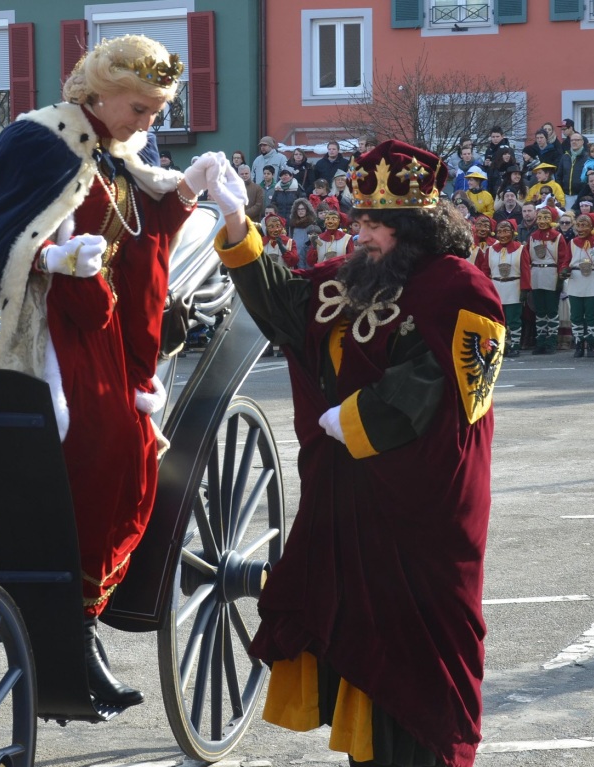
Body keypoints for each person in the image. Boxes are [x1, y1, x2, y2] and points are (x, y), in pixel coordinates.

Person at [201, 138, 504, 767]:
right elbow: (288, 305)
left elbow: (449, 390)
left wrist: (355, 419)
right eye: (359, 220)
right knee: (363, 654)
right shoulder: (358, 279)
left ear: (412, 228)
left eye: (373, 224)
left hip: (416, 516)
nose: (358, 233)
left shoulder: (462, 288)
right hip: (351, 504)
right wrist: (237, 223)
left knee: (416, 662)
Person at [0, 33, 214, 709]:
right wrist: (50, 260)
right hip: (37, 325)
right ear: (100, 93)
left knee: (125, 449)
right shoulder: (38, 140)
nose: (149, 124)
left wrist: (188, 185)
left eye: (157, 111)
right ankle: (69, 623)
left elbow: (139, 234)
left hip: (94, 325)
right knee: (94, 442)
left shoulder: (117, 151)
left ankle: (79, 623)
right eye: (142, 108)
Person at [524, 207, 571, 354]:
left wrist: (561, 276)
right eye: (540, 218)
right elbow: (527, 257)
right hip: (536, 274)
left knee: (551, 310)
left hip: (551, 273)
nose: (542, 221)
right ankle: (541, 341)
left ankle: (551, 341)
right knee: (540, 310)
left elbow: (563, 257)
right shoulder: (533, 237)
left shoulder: (557, 237)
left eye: (546, 218)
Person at [567, 213, 594, 357]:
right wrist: (564, 270)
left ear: (592, 226)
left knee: (592, 314)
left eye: (584, 225)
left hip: (593, 280)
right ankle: (579, 344)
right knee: (576, 315)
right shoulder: (572, 243)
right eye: (578, 225)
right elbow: (566, 260)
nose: (580, 228)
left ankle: (591, 343)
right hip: (576, 279)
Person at [487, 219, 525, 357]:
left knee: (514, 319)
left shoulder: (520, 249)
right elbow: (486, 271)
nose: (502, 235)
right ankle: (500, 345)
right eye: (500, 231)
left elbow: (525, 270)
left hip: (514, 287)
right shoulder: (491, 250)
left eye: (506, 231)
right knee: (498, 319)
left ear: (513, 232)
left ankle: (515, 344)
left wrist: (525, 289)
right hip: (496, 287)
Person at [557, 133, 588, 208]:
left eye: (577, 140)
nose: (574, 142)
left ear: (582, 142)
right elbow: (559, 176)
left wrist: (584, 192)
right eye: (572, 140)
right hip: (566, 195)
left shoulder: (587, 157)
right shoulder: (565, 157)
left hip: (582, 195)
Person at [287, 197, 318, 264]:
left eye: (303, 209)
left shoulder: (312, 224)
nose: (300, 211)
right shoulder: (292, 225)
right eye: (298, 209)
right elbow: (290, 240)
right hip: (296, 257)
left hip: (308, 256)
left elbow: (316, 243)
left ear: (307, 210)